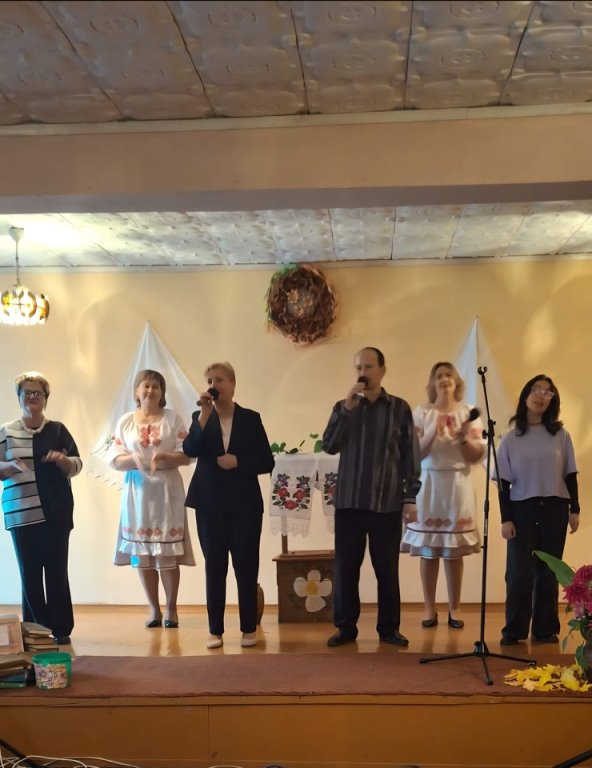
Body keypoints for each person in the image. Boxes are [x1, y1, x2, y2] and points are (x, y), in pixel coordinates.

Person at [322, 347, 421, 647]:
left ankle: (389, 628)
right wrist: (346, 410)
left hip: (386, 502)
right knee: (346, 569)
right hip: (349, 502)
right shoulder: (344, 407)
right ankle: (345, 628)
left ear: (382, 369)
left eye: (368, 366)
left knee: (386, 570)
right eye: (358, 367)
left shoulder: (399, 408)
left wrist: (410, 497)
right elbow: (329, 445)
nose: (362, 373)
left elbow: (410, 456)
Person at [183, 361, 275, 649]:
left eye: (220, 379)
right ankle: (215, 631)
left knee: (246, 566)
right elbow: (189, 450)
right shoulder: (200, 417)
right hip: (209, 503)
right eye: (210, 380)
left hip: (244, 504)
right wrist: (203, 415)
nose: (214, 384)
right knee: (215, 566)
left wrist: (238, 462)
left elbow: (266, 460)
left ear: (232, 385)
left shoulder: (250, 418)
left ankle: (248, 628)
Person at [496, 374, 580, 646]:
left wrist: (575, 509)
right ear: (525, 396)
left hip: (555, 507)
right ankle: (514, 630)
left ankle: (545, 630)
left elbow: (570, 474)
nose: (541, 395)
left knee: (549, 572)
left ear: (553, 400)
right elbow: (503, 484)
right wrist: (506, 519)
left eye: (548, 392)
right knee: (519, 572)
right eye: (536, 390)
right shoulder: (511, 438)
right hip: (522, 509)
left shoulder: (561, 435)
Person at [108, 369, 195, 628]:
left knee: (166, 555)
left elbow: (187, 455)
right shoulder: (126, 421)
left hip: (167, 492)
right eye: (145, 386)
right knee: (142, 555)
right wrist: (134, 459)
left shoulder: (172, 418)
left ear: (162, 392)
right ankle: (154, 609)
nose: (150, 390)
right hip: (137, 494)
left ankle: (171, 609)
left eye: (156, 386)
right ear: (137, 391)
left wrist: (163, 457)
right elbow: (115, 459)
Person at [0, 372, 82, 645]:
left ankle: (61, 630)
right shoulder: (7, 431)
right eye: (27, 392)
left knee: (57, 571)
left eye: (38, 392)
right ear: (19, 397)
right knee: (30, 574)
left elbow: (77, 464)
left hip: (56, 511)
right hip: (21, 512)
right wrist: (9, 466)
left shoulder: (58, 430)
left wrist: (62, 460)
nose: (33, 396)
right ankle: (36, 632)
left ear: (46, 398)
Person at [401, 362, 484, 629]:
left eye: (449, 374)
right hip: (429, 482)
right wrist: (431, 434)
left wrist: (462, 438)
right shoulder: (422, 412)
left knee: (452, 551)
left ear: (457, 381)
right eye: (439, 375)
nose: (444, 379)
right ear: (432, 383)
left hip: (457, 483)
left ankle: (454, 608)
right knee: (429, 550)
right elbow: (414, 454)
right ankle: (429, 608)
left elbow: (476, 456)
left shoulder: (468, 413)